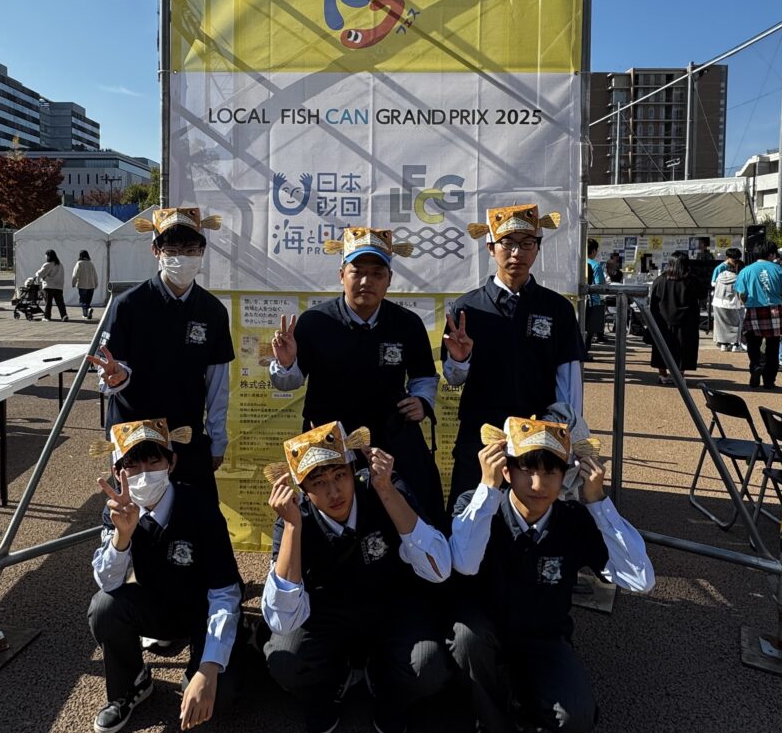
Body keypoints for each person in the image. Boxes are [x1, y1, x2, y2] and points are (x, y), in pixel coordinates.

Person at [448, 417, 653, 733]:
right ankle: (494, 723)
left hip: (544, 638)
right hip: (487, 635)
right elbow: (464, 564)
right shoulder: (476, 504)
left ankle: (518, 693)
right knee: (465, 639)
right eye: (526, 470)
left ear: (564, 475)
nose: (538, 485)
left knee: (576, 719)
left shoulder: (573, 520)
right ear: (506, 470)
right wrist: (487, 490)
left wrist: (599, 502)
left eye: (550, 472)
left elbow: (639, 578)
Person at [262, 422, 451, 733]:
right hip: (329, 616)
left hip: (390, 609)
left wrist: (387, 491)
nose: (334, 492)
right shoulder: (295, 517)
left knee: (429, 667)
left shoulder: (383, 488)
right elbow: (280, 619)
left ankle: (386, 685)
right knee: (284, 659)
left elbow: (439, 568)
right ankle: (335, 678)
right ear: (302, 490)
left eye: (340, 476)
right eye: (319, 482)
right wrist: (293, 528)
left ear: (354, 470)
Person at [268, 227, 443, 521]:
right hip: (329, 445)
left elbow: (424, 376)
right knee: (333, 519)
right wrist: (286, 364)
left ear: (389, 280)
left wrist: (422, 401)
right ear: (341, 275)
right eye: (357, 272)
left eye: (377, 273)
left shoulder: (407, 324)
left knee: (408, 514)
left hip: (391, 439)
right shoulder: (314, 322)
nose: (366, 281)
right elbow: (289, 382)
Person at [87, 418, 243, 733]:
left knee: (220, 698)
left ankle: (240, 643)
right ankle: (131, 683)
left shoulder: (200, 506)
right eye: (131, 463)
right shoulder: (116, 511)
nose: (144, 471)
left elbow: (225, 591)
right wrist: (122, 536)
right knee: (105, 607)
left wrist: (208, 669)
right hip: (157, 608)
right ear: (118, 472)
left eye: (153, 459)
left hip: (203, 610)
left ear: (171, 462)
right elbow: (108, 583)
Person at [442, 204, 586, 509]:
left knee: (534, 518)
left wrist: (564, 436)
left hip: (538, 439)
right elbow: (453, 379)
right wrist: (460, 360)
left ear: (537, 249)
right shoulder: (466, 309)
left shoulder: (557, 308)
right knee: (470, 516)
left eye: (526, 243)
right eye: (507, 243)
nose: (517, 253)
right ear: (491, 247)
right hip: (480, 439)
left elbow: (568, 383)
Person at [88, 208, 233, 505]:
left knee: (197, 516)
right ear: (156, 251)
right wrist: (116, 378)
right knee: (135, 520)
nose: (182, 258)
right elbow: (110, 373)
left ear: (202, 252)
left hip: (187, 435)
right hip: (135, 434)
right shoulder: (128, 305)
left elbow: (217, 384)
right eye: (173, 249)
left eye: (191, 250)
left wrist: (217, 440)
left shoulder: (213, 310)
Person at [734, 241, 782, 390]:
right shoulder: (780, 270)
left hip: (754, 309)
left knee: (753, 343)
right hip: (775, 310)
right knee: (773, 347)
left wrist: (747, 301)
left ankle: (755, 365)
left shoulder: (746, 271)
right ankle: (769, 381)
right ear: (771, 254)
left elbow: (741, 294)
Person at [648, 252, 706, 384]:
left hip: (663, 320)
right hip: (685, 321)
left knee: (661, 347)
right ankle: (679, 375)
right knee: (683, 349)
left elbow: (653, 302)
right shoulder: (690, 280)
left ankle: (662, 374)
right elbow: (702, 294)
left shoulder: (660, 280)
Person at [711, 247, 745, 352]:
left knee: (722, 324)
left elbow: (714, 282)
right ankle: (734, 344)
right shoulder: (720, 268)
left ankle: (723, 344)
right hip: (734, 302)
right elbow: (713, 283)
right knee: (736, 323)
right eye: (734, 259)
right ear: (728, 258)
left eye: (737, 258)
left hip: (719, 301)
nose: (736, 261)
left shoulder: (723, 271)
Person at [584, 238, 607, 352]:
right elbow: (600, 284)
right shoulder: (596, 266)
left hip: (578, 300)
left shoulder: (578, 262)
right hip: (593, 301)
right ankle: (585, 352)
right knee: (590, 329)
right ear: (593, 251)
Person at [36, 249, 68, 322]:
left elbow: (40, 274)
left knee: (48, 303)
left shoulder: (48, 264)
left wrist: (38, 273)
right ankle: (64, 315)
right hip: (59, 286)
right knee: (60, 303)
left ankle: (47, 316)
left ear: (48, 256)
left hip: (49, 286)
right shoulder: (60, 265)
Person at [72, 249, 100, 320]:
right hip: (91, 286)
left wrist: (73, 283)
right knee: (87, 301)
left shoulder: (79, 263)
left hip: (82, 285)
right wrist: (96, 284)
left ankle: (85, 314)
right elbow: (95, 275)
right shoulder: (91, 264)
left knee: (82, 301)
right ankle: (88, 311)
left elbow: (75, 275)